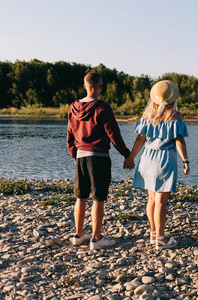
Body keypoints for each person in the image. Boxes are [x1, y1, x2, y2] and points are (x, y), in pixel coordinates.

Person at [67, 72, 131, 250]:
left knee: (80, 197)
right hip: (99, 158)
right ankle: (96, 238)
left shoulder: (73, 107)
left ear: (85, 86)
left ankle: (78, 235)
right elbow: (114, 134)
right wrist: (127, 155)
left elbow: (69, 135)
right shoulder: (103, 107)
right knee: (98, 198)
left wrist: (74, 155)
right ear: (100, 87)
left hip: (80, 156)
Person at [124, 80, 189, 249]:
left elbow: (140, 139)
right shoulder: (175, 116)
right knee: (161, 201)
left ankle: (154, 234)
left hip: (146, 159)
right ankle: (161, 238)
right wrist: (186, 161)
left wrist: (130, 158)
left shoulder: (147, 115)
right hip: (164, 159)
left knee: (152, 199)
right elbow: (179, 140)